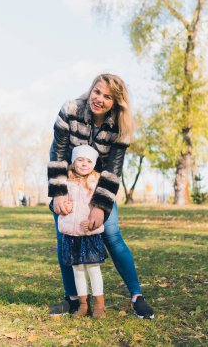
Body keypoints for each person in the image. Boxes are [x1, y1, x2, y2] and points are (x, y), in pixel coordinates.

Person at [48, 73, 154, 319]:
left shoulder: (121, 126)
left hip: (98, 186)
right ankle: (73, 299)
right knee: (65, 236)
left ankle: (137, 296)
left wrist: (100, 207)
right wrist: (59, 194)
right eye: (97, 92)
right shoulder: (70, 110)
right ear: (91, 90)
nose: (100, 99)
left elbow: (113, 169)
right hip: (69, 183)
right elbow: (58, 153)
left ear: (116, 102)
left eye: (108, 97)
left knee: (112, 235)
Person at [58, 144, 107, 319]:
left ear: (94, 164)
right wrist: (63, 206)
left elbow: (100, 207)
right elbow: (57, 204)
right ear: (73, 162)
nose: (84, 164)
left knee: (93, 269)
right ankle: (83, 305)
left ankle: (99, 305)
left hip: (90, 235)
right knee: (78, 270)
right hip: (72, 235)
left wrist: (92, 224)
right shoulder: (66, 181)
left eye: (88, 161)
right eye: (80, 160)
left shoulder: (97, 182)